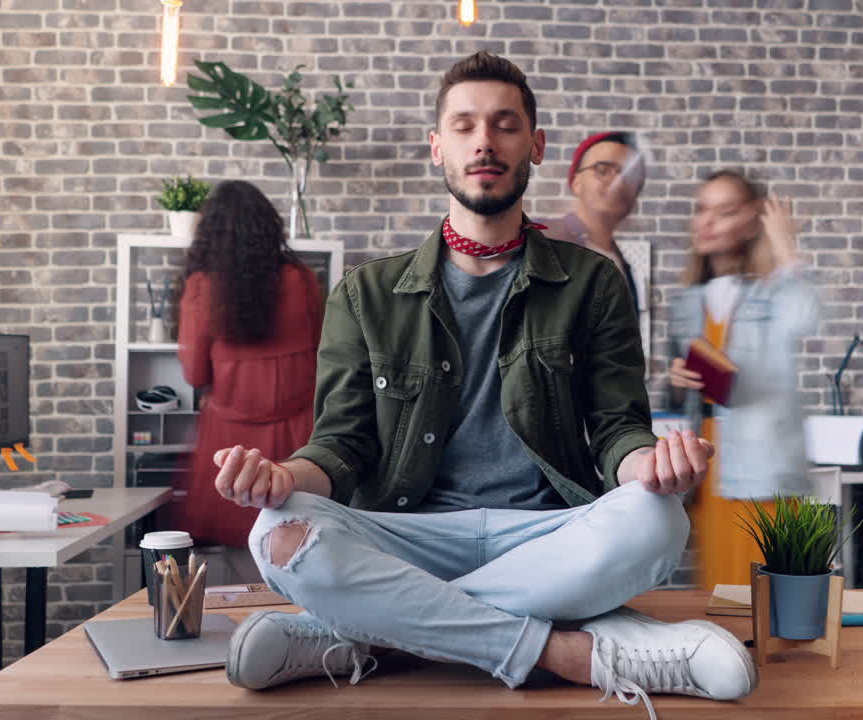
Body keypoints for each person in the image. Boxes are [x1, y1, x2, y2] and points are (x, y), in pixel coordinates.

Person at [208, 51, 756, 717]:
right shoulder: (366, 292)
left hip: (547, 534)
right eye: (464, 125)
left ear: (536, 144)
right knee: (277, 530)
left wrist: (652, 464)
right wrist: (283, 477)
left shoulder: (591, 282)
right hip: (409, 534)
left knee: (656, 518)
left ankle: (373, 637)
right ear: (438, 147)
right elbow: (342, 446)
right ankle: (569, 652)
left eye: (504, 124)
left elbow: (616, 430)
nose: (484, 142)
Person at [667, 170, 820, 589]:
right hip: (711, 467)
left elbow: (806, 317)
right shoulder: (686, 303)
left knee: (772, 601)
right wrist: (678, 380)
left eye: (726, 211)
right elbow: (679, 394)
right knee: (721, 598)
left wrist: (785, 245)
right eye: (702, 210)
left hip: (764, 468)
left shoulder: (774, 292)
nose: (708, 221)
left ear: (754, 222)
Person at [171, 180, 325, 579]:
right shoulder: (302, 279)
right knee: (299, 548)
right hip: (299, 433)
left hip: (230, 441)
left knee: (237, 560)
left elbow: (194, 373)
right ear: (266, 226)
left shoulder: (203, 287)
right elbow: (325, 354)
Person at [545, 131, 647, 314]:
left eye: (630, 175)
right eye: (603, 170)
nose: (619, 181)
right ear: (576, 182)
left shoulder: (623, 264)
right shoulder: (544, 241)